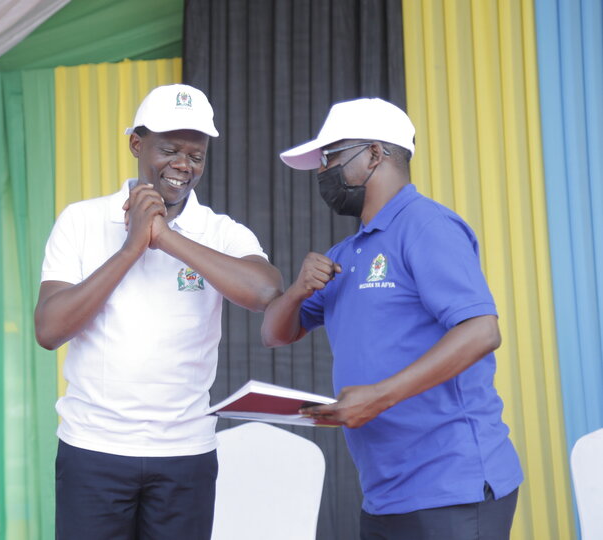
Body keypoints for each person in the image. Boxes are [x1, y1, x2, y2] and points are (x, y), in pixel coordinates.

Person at [261, 98, 523, 540]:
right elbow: (274, 334)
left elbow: (482, 329)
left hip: (450, 487)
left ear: (375, 155)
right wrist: (297, 290)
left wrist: (379, 397)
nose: (323, 173)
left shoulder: (427, 226)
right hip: (385, 493)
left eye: (331, 158)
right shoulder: (346, 255)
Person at [34, 84, 282, 539]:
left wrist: (166, 237)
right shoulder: (81, 220)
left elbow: (265, 290)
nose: (183, 166)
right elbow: (50, 329)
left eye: (197, 155)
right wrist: (131, 248)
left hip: (185, 453)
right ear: (135, 144)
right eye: (169, 150)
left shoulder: (219, 231)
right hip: (93, 449)